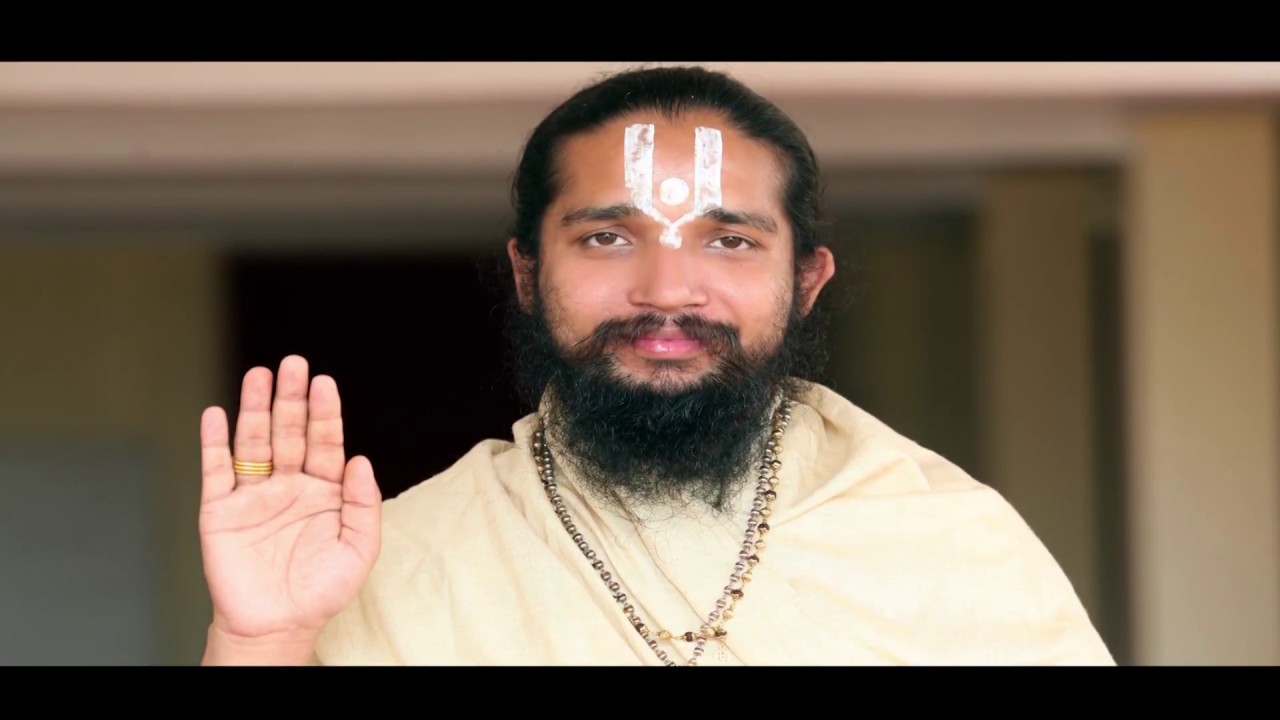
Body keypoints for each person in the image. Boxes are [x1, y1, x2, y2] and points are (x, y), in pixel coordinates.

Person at [196, 65, 1115, 666]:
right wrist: (259, 639)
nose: (667, 289)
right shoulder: (411, 556)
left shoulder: (944, 539)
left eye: (729, 241)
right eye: (607, 237)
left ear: (805, 282)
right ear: (528, 273)